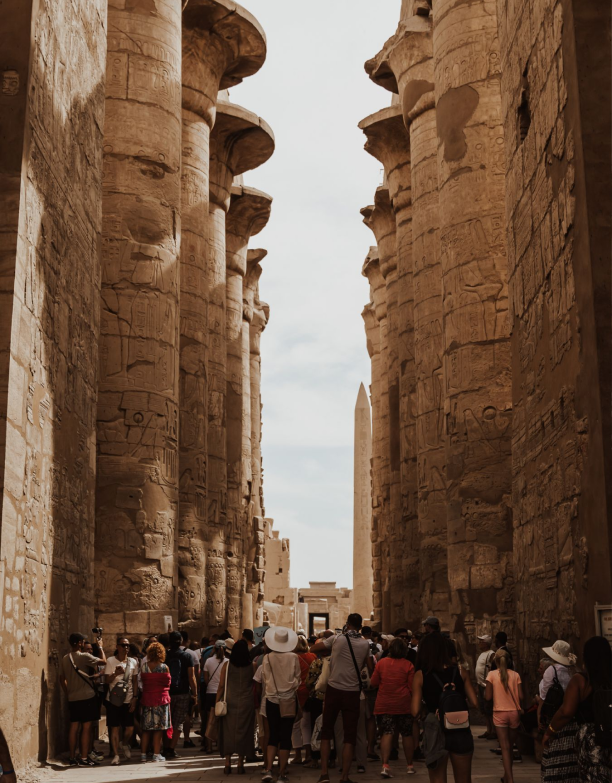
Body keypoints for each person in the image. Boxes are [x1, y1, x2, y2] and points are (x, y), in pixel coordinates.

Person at [310, 612, 370, 783]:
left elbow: (313, 648)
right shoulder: (365, 644)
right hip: (353, 692)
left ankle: (324, 774)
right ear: (360, 626)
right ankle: (345, 776)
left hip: (334, 689)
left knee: (327, 732)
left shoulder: (337, 639)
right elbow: (363, 664)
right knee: (350, 736)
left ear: (347, 624)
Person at [411, 631, 478, 783]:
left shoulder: (421, 676)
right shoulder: (461, 672)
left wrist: (427, 707)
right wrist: (456, 703)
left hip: (435, 727)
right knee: (464, 780)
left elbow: (414, 711)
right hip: (459, 726)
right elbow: (475, 703)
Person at [543, 636, 611, 783]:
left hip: (592, 738)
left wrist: (550, 731)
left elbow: (566, 711)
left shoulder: (581, 680)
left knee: (591, 776)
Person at [59, 632, 106, 767]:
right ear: (79, 643)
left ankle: (72, 757)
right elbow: (103, 662)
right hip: (87, 696)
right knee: (86, 727)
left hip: (73, 697)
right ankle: (84, 757)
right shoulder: (83, 656)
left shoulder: (65, 658)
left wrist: (68, 692)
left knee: (73, 727)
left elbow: (62, 679)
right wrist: (100, 647)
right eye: (83, 642)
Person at [260, 627, 300, 783]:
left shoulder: (267, 658)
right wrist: (289, 687)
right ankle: (282, 773)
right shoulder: (294, 657)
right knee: (285, 737)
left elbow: (265, 678)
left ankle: (268, 769)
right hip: (288, 701)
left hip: (271, 700)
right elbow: (297, 679)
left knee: (272, 736)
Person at [371, 637, 416, 776]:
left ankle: (385, 765)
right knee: (407, 734)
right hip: (403, 704)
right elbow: (412, 686)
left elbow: (374, 682)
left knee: (387, 733)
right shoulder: (409, 665)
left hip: (384, 703)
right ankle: (410, 766)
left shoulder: (381, 663)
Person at [539, 640, 579, 783]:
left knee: (553, 753)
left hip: (556, 716)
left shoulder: (551, 671)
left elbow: (544, 697)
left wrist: (540, 716)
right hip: (572, 718)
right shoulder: (573, 672)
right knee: (568, 755)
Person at [217, 639, 256, 774]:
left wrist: (217, 701)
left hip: (230, 701)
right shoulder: (253, 666)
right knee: (244, 731)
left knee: (228, 731)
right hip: (247, 702)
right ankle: (240, 763)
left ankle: (227, 763)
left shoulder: (227, 666)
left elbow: (221, 685)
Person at [485, 649, 524, 783]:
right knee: (510, 746)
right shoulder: (516, 675)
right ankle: (507, 776)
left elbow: (488, 696)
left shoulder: (491, 675)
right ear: (509, 661)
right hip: (514, 713)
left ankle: (510, 779)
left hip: (499, 713)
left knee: (505, 747)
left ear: (496, 661)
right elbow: (521, 696)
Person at [162, 631, 197, 759]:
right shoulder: (187, 656)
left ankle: (165, 747)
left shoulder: (164, 656)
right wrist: (195, 694)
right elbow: (191, 677)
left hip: (167, 692)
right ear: (181, 641)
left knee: (166, 722)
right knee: (178, 723)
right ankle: (171, 749)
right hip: (182, 693)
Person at [104, 636, 138, 765]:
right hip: (114, 699)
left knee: (129, 728)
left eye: (127, 645)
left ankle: (124, 743)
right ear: (117, 647)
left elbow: (134, 681)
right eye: (123, 645)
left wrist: (135, 698)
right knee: (114, 727)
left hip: (128, 699)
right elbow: (107, 680)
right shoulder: (111, 661)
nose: (126, 648)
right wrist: (115, 674)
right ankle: (116, 755)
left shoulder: (133, 662)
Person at [139, 641, 171, 763]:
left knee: (146, 729)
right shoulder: (164, 667)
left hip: (147, 699)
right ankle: (156, 754)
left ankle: (143, 755)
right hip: (160, 699)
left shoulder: (144, 667)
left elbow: (143, 681)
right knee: (158, 729)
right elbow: (168, 683)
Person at [291, 635, 317, 765]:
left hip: (298, 692)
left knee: (296, 725)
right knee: (307, 724)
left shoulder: (293, 658)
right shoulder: (313, 656)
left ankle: (297, 755)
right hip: (311, 692)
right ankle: (308, 753)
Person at [202, 640, 229, 753]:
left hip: (210, 693)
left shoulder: (208, 661)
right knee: (222, 720)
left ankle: (209, 747)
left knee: (210, 720)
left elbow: (206, 679)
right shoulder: (228, 661)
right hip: (223, 694)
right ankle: (220, 745)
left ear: (215, 649)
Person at [179, 630, 199, 748]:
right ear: (187, 640)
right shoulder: (191, 653)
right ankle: (186, 739)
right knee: (187, 715)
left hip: (171, 687)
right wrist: (195, 692)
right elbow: (195, 674)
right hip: (186, 687)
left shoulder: (168, 653)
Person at [475, 635, 496, 740]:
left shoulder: (491, 654)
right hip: (480, 685)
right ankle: (488, 730)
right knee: (484, 709)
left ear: (486, 643)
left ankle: (493, 730)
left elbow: (492, 669)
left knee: (489, 708)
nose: (479, 643)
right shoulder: (482, 654)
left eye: (481, 641)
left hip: (486, 685)